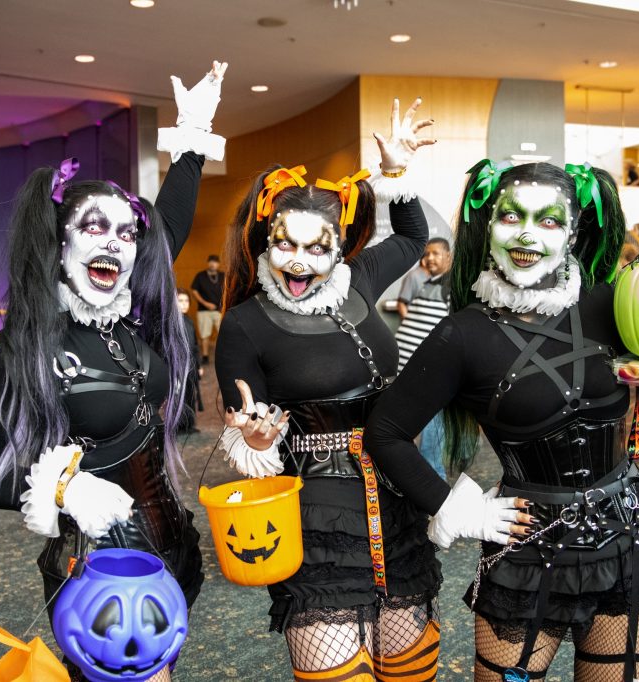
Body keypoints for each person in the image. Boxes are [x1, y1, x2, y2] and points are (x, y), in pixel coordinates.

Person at [366, 160, 639, 682]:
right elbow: (384, 433)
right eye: (511, 216)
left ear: (573, 231)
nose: (526, 234)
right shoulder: (462, 335)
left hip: (626, 534)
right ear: (487, 224)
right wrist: (454, 506)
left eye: (548, 220)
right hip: (528, 547)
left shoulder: (613, 304)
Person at [0, 61, 227, 682]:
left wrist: (192, 137)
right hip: (95, 576)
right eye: (93, 227)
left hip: (171, 554)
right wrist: (63, 489)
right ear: (59, 242)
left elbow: (171, 226)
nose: (113, 243)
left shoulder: (130, 320)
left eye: (126, 232)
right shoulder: (19, 348)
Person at [215, 98, 441, 680]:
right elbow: (249, 434)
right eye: (286, 244)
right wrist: (258, 444)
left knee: (410, 668)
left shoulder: (361, 277)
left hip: (396, 494)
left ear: (338, 248)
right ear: (266, 241)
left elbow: (415, 235)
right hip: (318, 514)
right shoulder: (245, 324)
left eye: (318, 248)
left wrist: (396, 171)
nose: (299, 262)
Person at [395, 237, 452, 478]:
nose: (429, 258)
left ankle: (434, 500)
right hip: (405, 372)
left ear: (448, 257)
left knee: (430, 446)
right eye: (426, 254)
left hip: (427, 376)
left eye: (435, 253)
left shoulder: (452, 288)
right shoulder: (430, 282)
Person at [176, 288, 203, 434]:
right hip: (177, 366)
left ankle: (189, 425)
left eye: (186, 301)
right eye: (180, 301)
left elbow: (195, 345)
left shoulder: (188, 320)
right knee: (177, 397)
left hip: (191, 365)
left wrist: (198, 365)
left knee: (190, 395)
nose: (184, 304)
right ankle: (177, 426)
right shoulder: (171, 322)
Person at [191, 254, 225, 365]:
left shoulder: (223, 276)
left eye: (215, 262)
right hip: (204, 311)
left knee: (224, 335)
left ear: (218, 264)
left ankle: (224, 356)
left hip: (220, 311)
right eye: (211, 261)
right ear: (208, 263)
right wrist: (206, 303)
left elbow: (229, 290)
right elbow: (194, 291)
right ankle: (205, 356)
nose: (213, 264)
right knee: (205, 335)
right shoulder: (200, 276)